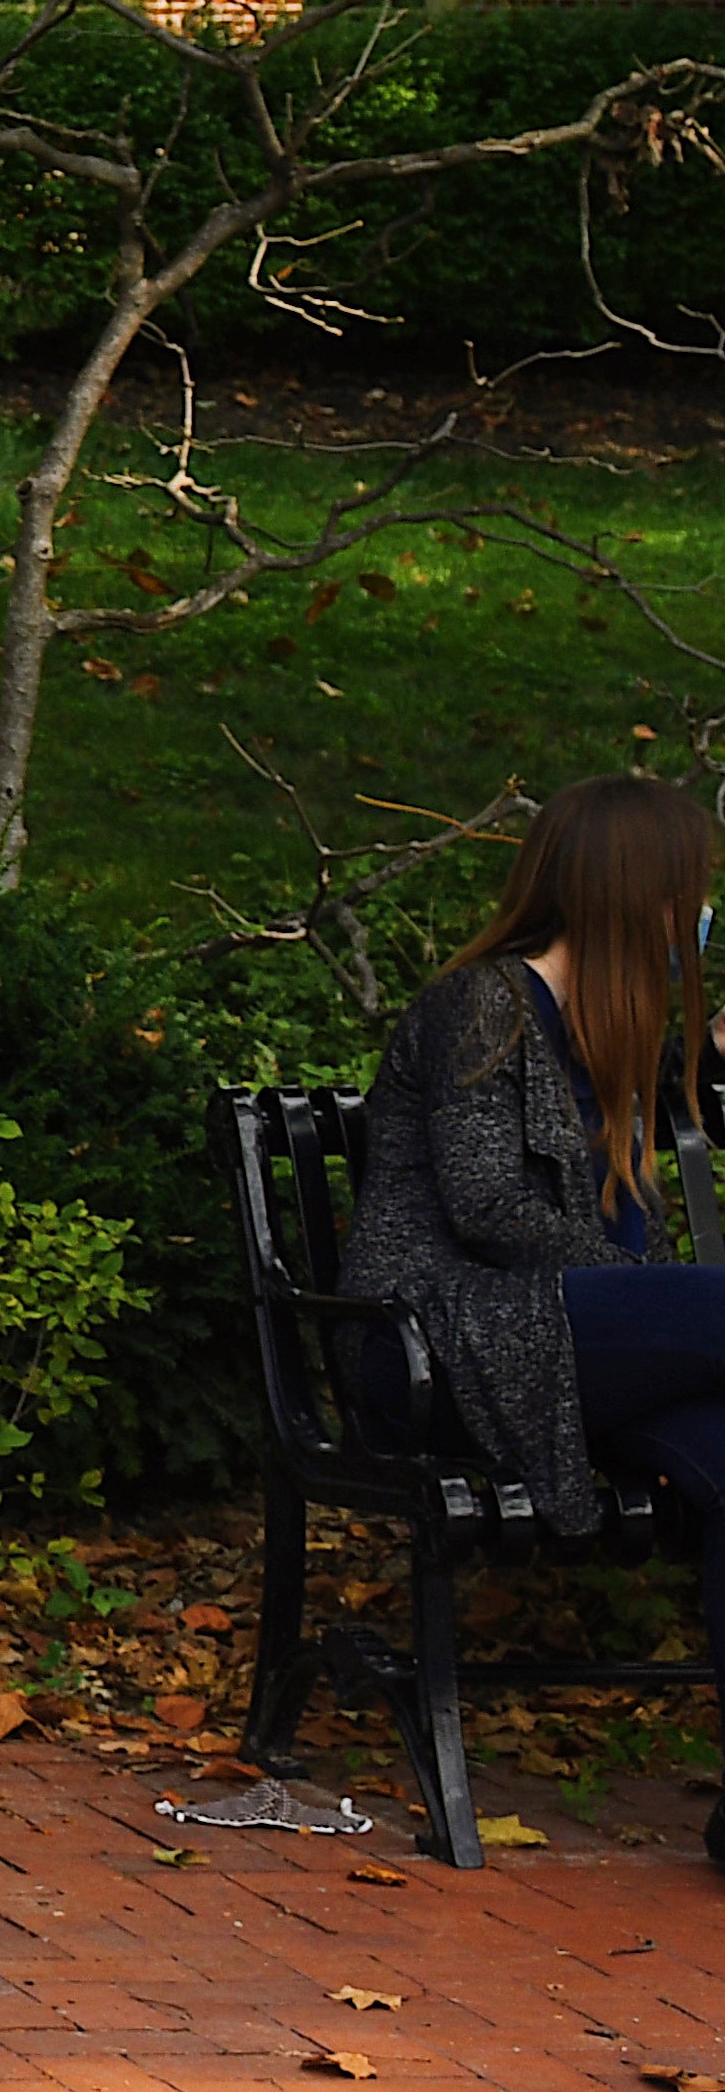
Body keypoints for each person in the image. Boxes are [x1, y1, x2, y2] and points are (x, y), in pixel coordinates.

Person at [338, 772, 725, 1854]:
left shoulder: (613, 1024)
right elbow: (487, 1205)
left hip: (565, 1341)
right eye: (691, 892)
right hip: (443, 1337)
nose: (702, 916)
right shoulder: (484, 1002)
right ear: (637, 892)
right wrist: (634, 1289)